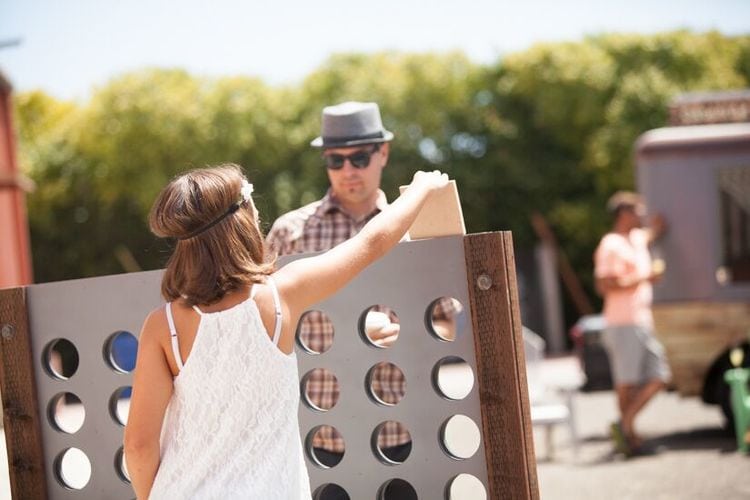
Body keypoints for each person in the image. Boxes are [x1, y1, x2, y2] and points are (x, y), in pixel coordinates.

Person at [123, 163, 448, 499]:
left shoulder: (163, 326)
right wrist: (422, 187)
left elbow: (138, 444)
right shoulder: (282, 295)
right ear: (244, 219)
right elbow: (372, 242)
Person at [266, 101, 457, 470]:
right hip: (318, 432)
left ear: (382, 153)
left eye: (359, 158)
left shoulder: (416, 230)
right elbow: (261, 326)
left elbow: (448, 323)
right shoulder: (289, 232)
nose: (348, 170)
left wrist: (407, 332)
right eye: (336, 160)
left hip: (405, 428)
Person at [594, 190, 671, 456]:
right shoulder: (610, 244)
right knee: (626, 382)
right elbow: (604, 285)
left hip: (641, 320)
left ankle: (624, 425)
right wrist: (644, 277)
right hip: (622, 322)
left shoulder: (637, 238)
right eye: (638, 210)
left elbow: (652, 232)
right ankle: (629, 436)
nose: (642, 215)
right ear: (624, 214)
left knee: (659, 376)